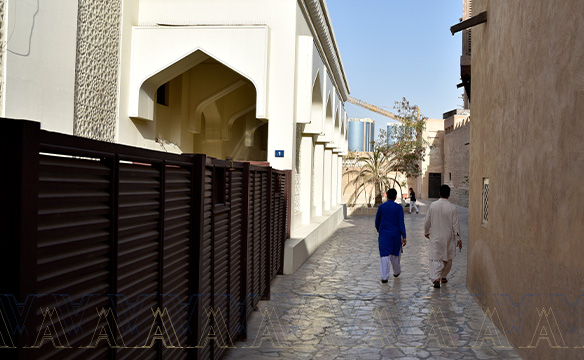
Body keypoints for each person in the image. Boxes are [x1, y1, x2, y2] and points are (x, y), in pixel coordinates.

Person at [424, 184, 462, 289]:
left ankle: (437, 278)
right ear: (449, 195)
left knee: (436, 258)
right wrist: (458, 238)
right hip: (448, 237)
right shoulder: (452, 208)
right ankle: (444, 276)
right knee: (448, 257)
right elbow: (456, 224)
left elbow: (427, 221)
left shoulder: (433, 205)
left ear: (439, 193)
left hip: (435, 236)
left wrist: (426, 232)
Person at [375, 189, 407, 283]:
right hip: (396, 235)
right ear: (395, 196)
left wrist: (378, 229)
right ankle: (397, 271)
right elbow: (401, 222)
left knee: (384, 255)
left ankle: (384, 277)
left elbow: (377, 221)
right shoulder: (398, 208)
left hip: (384, 234)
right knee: (395, 255)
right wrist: (404, 236)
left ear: (387, 196)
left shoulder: (381, 207)